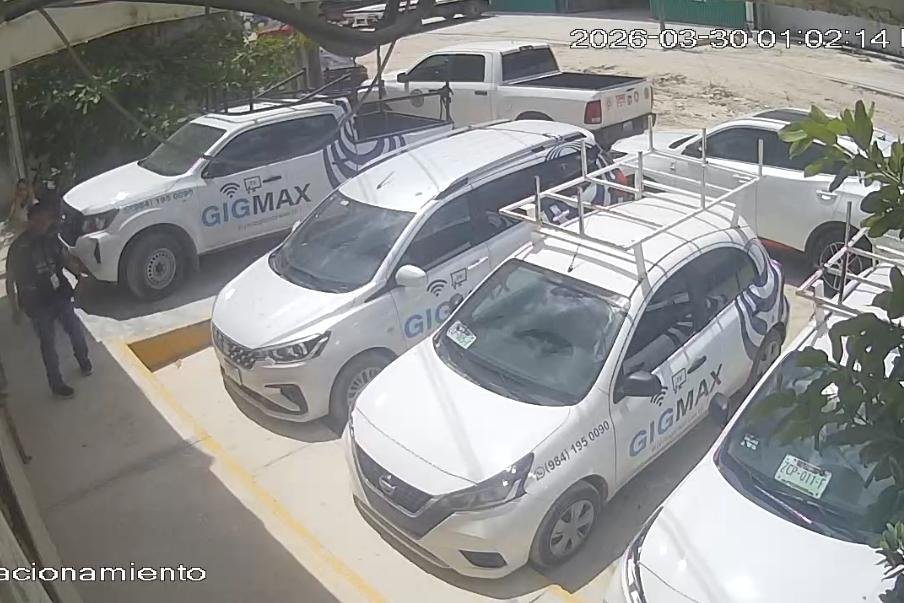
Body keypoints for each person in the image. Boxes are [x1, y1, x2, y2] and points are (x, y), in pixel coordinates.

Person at [6, 201, 91, 398]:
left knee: (76, 331)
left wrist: (79, 276)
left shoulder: (52, 239)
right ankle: (57, 385)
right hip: (36, 304)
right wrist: (14, 309)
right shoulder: (19, 248)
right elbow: (10, 280)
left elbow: (65, 259)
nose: (45, 223)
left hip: (59, 295)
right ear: (31, 220)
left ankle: (84, 360)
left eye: (47, 219)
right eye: (41, 219)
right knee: (48, 345)